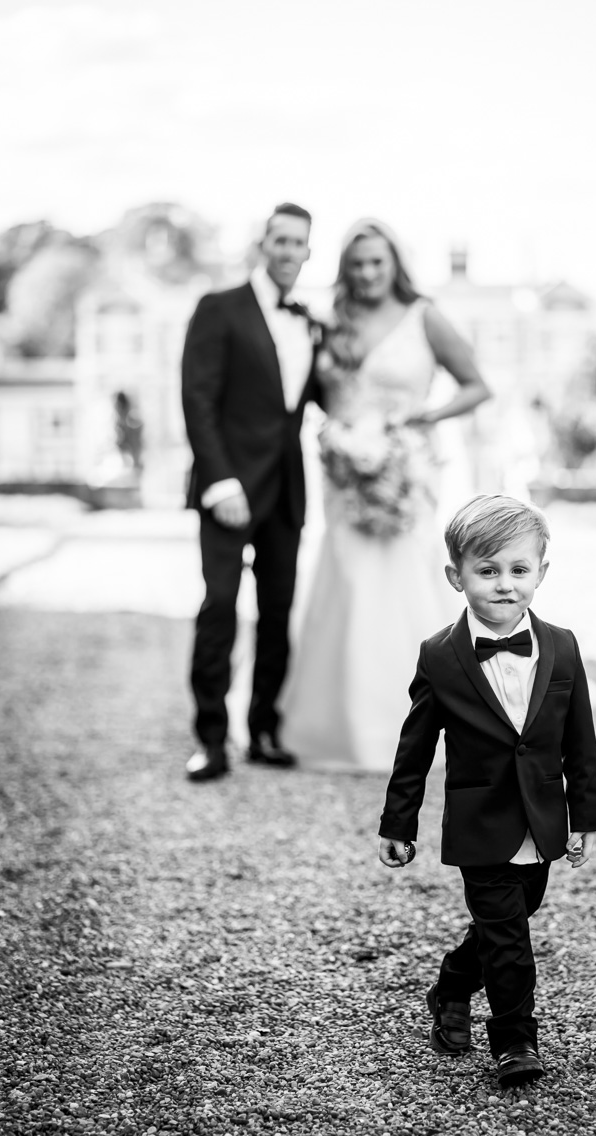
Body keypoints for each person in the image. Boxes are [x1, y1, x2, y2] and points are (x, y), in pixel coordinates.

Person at [378, 494, 596, 1087]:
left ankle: (451, 987)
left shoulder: (562, 646)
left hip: (542, 818)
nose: (505, 585)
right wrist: (398, 823)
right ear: (457, 577)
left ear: (542, 573)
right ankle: (514, 1042)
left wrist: (583, 815)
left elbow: (580, 740)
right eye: (488, 571)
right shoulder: (440, 656)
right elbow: (415, 748)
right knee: (509, 938)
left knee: (515, 913)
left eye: (519, 570)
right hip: (480, 822)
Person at [281, 219, 491, 770]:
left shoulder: (426, 317)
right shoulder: (333, 323)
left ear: (395, 263)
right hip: (345, 474)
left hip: (406, 470)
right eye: (357, 264)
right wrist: (340, 439)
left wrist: (427, 416)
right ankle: (341, 725)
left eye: (378, 261)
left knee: (405, 582)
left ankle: (430, 721)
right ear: (345, 271)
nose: (368, 273)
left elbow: (477, 385)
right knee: (347, 579)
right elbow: (321, 395)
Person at [181, 202, 323, 781]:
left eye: (300, 244)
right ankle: (211, 739)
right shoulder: (220, 308)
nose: (290, 252)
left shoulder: (311, 321)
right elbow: (197, 398)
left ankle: (262, 729)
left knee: (277, 612)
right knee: (219, 607)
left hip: (286, 490)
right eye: (281, 241)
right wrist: (220, 480)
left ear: (309, 254)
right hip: (229, 489)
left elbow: (318, 400)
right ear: (262, 245)